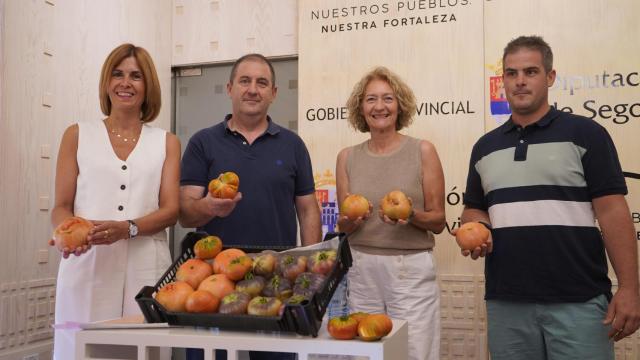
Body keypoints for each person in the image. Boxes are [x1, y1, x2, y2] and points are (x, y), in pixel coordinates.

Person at [459, 35, 640, 360]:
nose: (520, 81)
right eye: (512, 73)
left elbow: (614, 213)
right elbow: (474, 209)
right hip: (507, 303)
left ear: (551, 77)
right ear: (503, 80)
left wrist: (629, 288)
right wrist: (476, 229)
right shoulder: (484, 148)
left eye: (531, 71)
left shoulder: (586, 134)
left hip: (579, 301)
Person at [179, 53, 322, 360]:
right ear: (230, 88)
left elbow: (308, 209)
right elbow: (185, 213)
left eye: (262, 82)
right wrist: (209, 207)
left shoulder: (293, 145)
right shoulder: (202, 143)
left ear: (274, 93)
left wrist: (312, 271)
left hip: (277, 280)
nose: (253, 89)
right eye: (245, 81)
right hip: (214, 279)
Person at [51, 43, 180, 359]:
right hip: (87, 265)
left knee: (144, 350)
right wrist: (66, 233)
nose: (126, 83)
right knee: (81, 350)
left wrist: (129, 228)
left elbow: (171, 210)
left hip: (146, 267)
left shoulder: (166, 142)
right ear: (106, 83)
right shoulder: (76, 134)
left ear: (147, 85)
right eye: (118, 74)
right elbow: (61, 205)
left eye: (136, 76)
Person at [335, 66, 446, 360]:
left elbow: (438, 221)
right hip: (361, 268)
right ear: (361, 107)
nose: (379, 106)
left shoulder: (422, 151)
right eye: (371, 99)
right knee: (364, 354)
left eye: (388, 98)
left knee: (414, 352)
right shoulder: (347, 157)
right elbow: (342, 225)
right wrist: (349, 222)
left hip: (408, 268)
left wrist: (409, 216)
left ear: (400, 105)